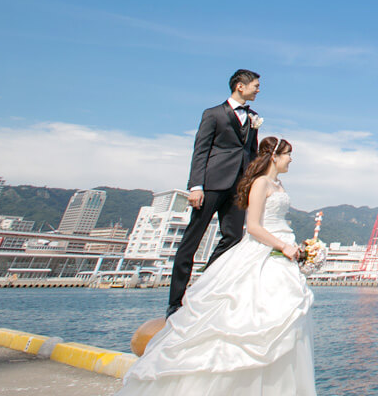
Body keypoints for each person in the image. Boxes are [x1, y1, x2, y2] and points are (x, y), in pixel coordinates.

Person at [118, 137, 316, 395]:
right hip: (264, 252)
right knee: (250, 317)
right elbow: (254, 227)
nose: (291, 160)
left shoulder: (279, 184)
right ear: (274, 156)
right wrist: (283, 245)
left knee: (285, 321)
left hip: (282, 254)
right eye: (289, 154)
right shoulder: (260, 183)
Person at [168, 69, 262, 317]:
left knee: (233, 238)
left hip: (238, 187)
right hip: (211, 184)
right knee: (191, 240)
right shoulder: (213, 114)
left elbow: (251, 152)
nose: (258, 89)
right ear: (240, 86)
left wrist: (253, 183)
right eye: (255, 85)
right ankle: (175, 302)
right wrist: (195, 186)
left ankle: (201, 286)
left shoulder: (254, 118)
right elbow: (200, 150)